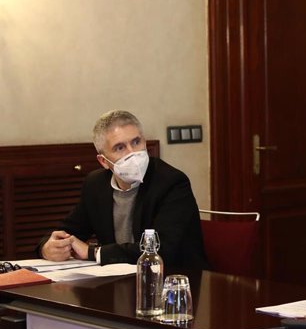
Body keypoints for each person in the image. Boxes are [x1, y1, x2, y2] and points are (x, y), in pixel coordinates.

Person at [37, 110, 208, 269]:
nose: (132, 153)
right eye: (120, 148)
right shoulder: (95, 184)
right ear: (103, 161)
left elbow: (160, 251)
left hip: (174, 284)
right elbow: (68, 231)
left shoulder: (172, 182)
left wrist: (94, 252)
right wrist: (47, 247)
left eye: (136, 142)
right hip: (119, 284)